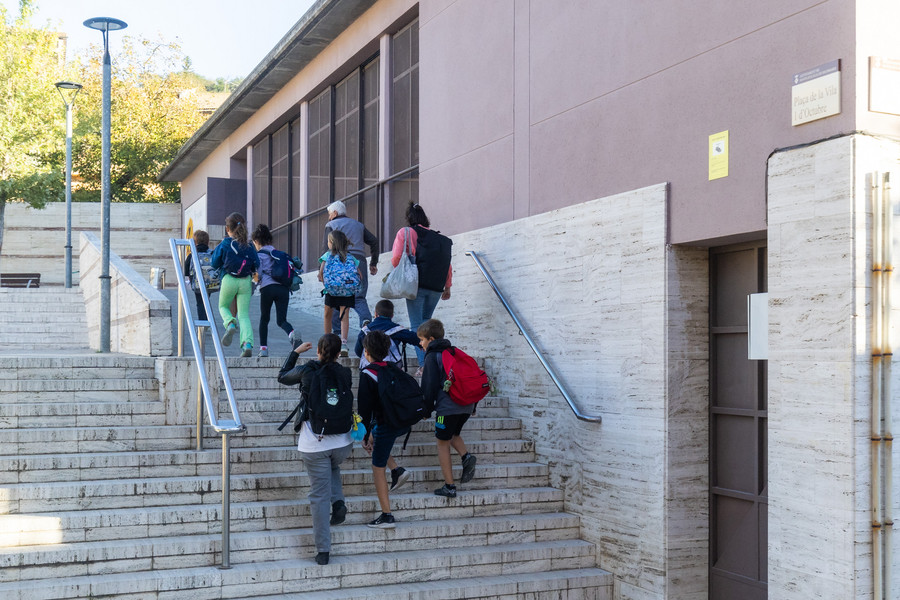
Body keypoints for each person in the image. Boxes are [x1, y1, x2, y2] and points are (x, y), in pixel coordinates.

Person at [276, 334, 352, 565]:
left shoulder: (308, 370)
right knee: (333, 465)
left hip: (314, 443)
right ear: (339, 353)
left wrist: (295, 352)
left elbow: (282, 377)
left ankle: (323, 550)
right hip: (343, 442)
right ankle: (338, 501)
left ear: (318, 350)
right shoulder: (345, 373)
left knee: (319, 496)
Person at [358, 331, 414, 528]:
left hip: (386, 424)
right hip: (402, 422)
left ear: (366, 351)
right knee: (379, 441)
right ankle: (397, 470)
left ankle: (387, 515)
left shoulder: (367, 374)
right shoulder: (393, 368)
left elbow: (363, 410)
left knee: (377, 467)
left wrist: (364, 434)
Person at [417, 319, 476, 499]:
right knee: (453, 435)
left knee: (442, 442)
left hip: (447, 409)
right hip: (466, 405)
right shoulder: (454, 351)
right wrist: (473, 404)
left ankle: (449, 486)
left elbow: (428, 386)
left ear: (431, 339)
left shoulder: (432, 356)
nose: (420, 343)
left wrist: (426, 411)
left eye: (421, 340)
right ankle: (466, 456)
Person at [390, 203, 453, 370]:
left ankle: (425, 365)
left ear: (409, 218)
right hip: (436, 287)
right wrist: (448, 286)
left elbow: (396, 258)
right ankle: (434, 361)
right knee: (427, 324)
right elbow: (448, 264)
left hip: (416, 284)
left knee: (417, 326)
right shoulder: (439, 238)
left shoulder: (406, 232)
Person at [321, 200, 378, 332]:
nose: (329, 216)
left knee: (336, 294)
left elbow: (326, 249)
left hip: (338, 260)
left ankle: (337, 331)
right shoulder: (359, 225)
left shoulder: (331, 224)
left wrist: (322, 271)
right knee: (359, 296)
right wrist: (373, 262)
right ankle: (365, 321)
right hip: (359, 261)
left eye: (329, 213)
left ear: (335, 213)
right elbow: (374, 241)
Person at [211, 212, 259, 357]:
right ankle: (247, 344)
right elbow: (256, 263)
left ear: (227, 229)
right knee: (244, 315)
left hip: (229, 279)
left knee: (223, 306)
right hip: (245, 282)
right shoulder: (249, 245)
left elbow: (214, 262)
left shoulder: (225, 243)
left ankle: (230, 323)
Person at [252, 224, 301, 357]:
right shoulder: (279, 254)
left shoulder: (259, 255)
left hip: (267, 289)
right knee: (281, 320)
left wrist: (253, 282)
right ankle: (292, 333)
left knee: (264, 319)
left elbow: (259, 275)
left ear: (256, 241)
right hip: (283, 289)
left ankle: (263, 349)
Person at [319, 230, 361, 356]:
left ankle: (327, 340)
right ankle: (343, 344)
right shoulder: (351, 257)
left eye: (328, 241)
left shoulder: (327, 256)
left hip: (331, 291)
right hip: (347, 291)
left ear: (332, 243)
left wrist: (327, 283)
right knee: (344, 316)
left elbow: (321, 274)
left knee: (327, 315)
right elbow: (359, 275)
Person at [354, 299, 420, 370]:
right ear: (392, 316)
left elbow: (358, 351)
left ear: (376, 314)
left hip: (369, 369)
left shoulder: (364, 331)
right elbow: (415, 338)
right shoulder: (397, 330)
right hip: (391, 369)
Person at [183, 229, 212, 322]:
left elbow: (186, 268)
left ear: (194, 242)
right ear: (207, 241)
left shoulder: (192, 254)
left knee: (200, 302)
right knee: (206, 300)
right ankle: (208, 319)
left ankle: (203, 321)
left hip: (197, 282)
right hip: (210, 281)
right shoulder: (211, 253)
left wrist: (189, 277)